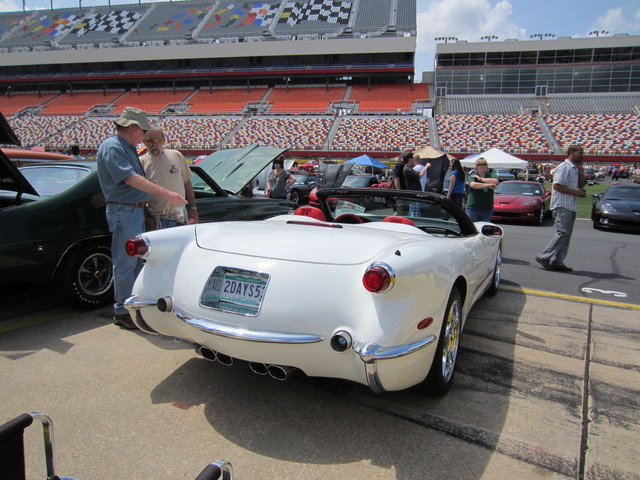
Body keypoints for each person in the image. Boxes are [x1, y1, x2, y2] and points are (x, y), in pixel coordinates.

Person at [97, 107, 186, 330]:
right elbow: (131, 179)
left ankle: (132, 307)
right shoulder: (113, 147)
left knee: (135, 260)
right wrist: (165, 193)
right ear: (133, 128)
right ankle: (122, 310)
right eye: (142, 130)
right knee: (126, 262)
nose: (143, 136)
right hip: (124, 210)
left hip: (132, 210)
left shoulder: (123, 147)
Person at [535, 145, 586, 272]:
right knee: (563, 232)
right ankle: (544, 256)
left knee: (566, 235)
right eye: (580, 153)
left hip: (570, 204)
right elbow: (557, 186)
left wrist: (581, 170)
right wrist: (576, 193)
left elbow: (580, 184)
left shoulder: (574, 169)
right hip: (562, 205)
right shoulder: (564, 167)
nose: (582, 155)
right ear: (571, 153)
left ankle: (558, 261)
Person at [140, 128, 198, 229]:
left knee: (182, 242)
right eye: (149, 141)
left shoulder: (176, 155)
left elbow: (187, 182)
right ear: (144, 142)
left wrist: (193, 208)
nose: (154, 144)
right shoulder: (142, 162)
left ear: (163, 141)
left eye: (158, 140)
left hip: (179, 212)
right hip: (157, 216)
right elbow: (140, 192)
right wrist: (146, 217)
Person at [465, 157, 498, 222]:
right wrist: (488, 185)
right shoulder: (472, 176)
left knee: (485, 228)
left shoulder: (492, 175)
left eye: (484, 164)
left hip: (487, 208)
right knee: (473, 228)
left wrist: (480, 179)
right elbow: (473, 185)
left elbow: (495, 181)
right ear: (476, 166)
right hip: (473, 208)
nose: (482, 166)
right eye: (480, 164)